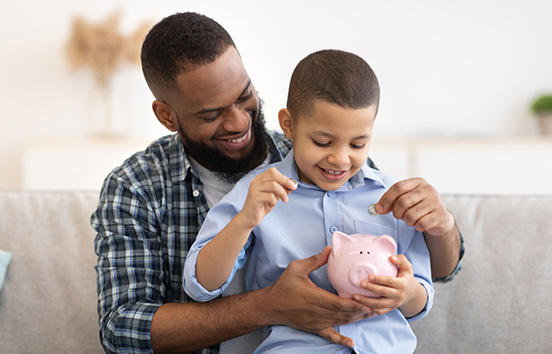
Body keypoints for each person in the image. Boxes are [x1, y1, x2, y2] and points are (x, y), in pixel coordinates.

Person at [91, 12, 464, 354]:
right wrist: (269, 306)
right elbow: (121, 329)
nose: (238, 122)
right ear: (166, 115)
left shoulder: (331, 154)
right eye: (211, 113)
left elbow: (438, 271)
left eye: (244, 96)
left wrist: (443, 225)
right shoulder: (136, 186)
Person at [183, 49, 433, 353]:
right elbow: (200, 286)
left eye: (358, 143)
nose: (340, 158)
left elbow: (421, 298)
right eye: (322, 142)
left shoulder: (391, 196)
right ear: (289, 124)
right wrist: (245, 219)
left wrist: (406, 294)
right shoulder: (258, 192)